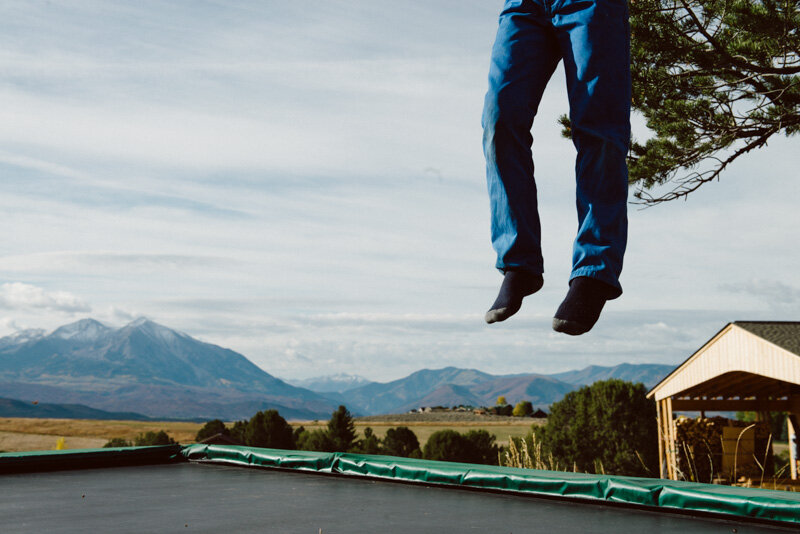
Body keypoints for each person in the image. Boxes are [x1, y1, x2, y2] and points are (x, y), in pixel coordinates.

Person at [482, 0, 631, 335]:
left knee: (600, 131)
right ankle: (519, 264)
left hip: (592, 5)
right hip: (523, 6)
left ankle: (594, 272)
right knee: (499, 122)